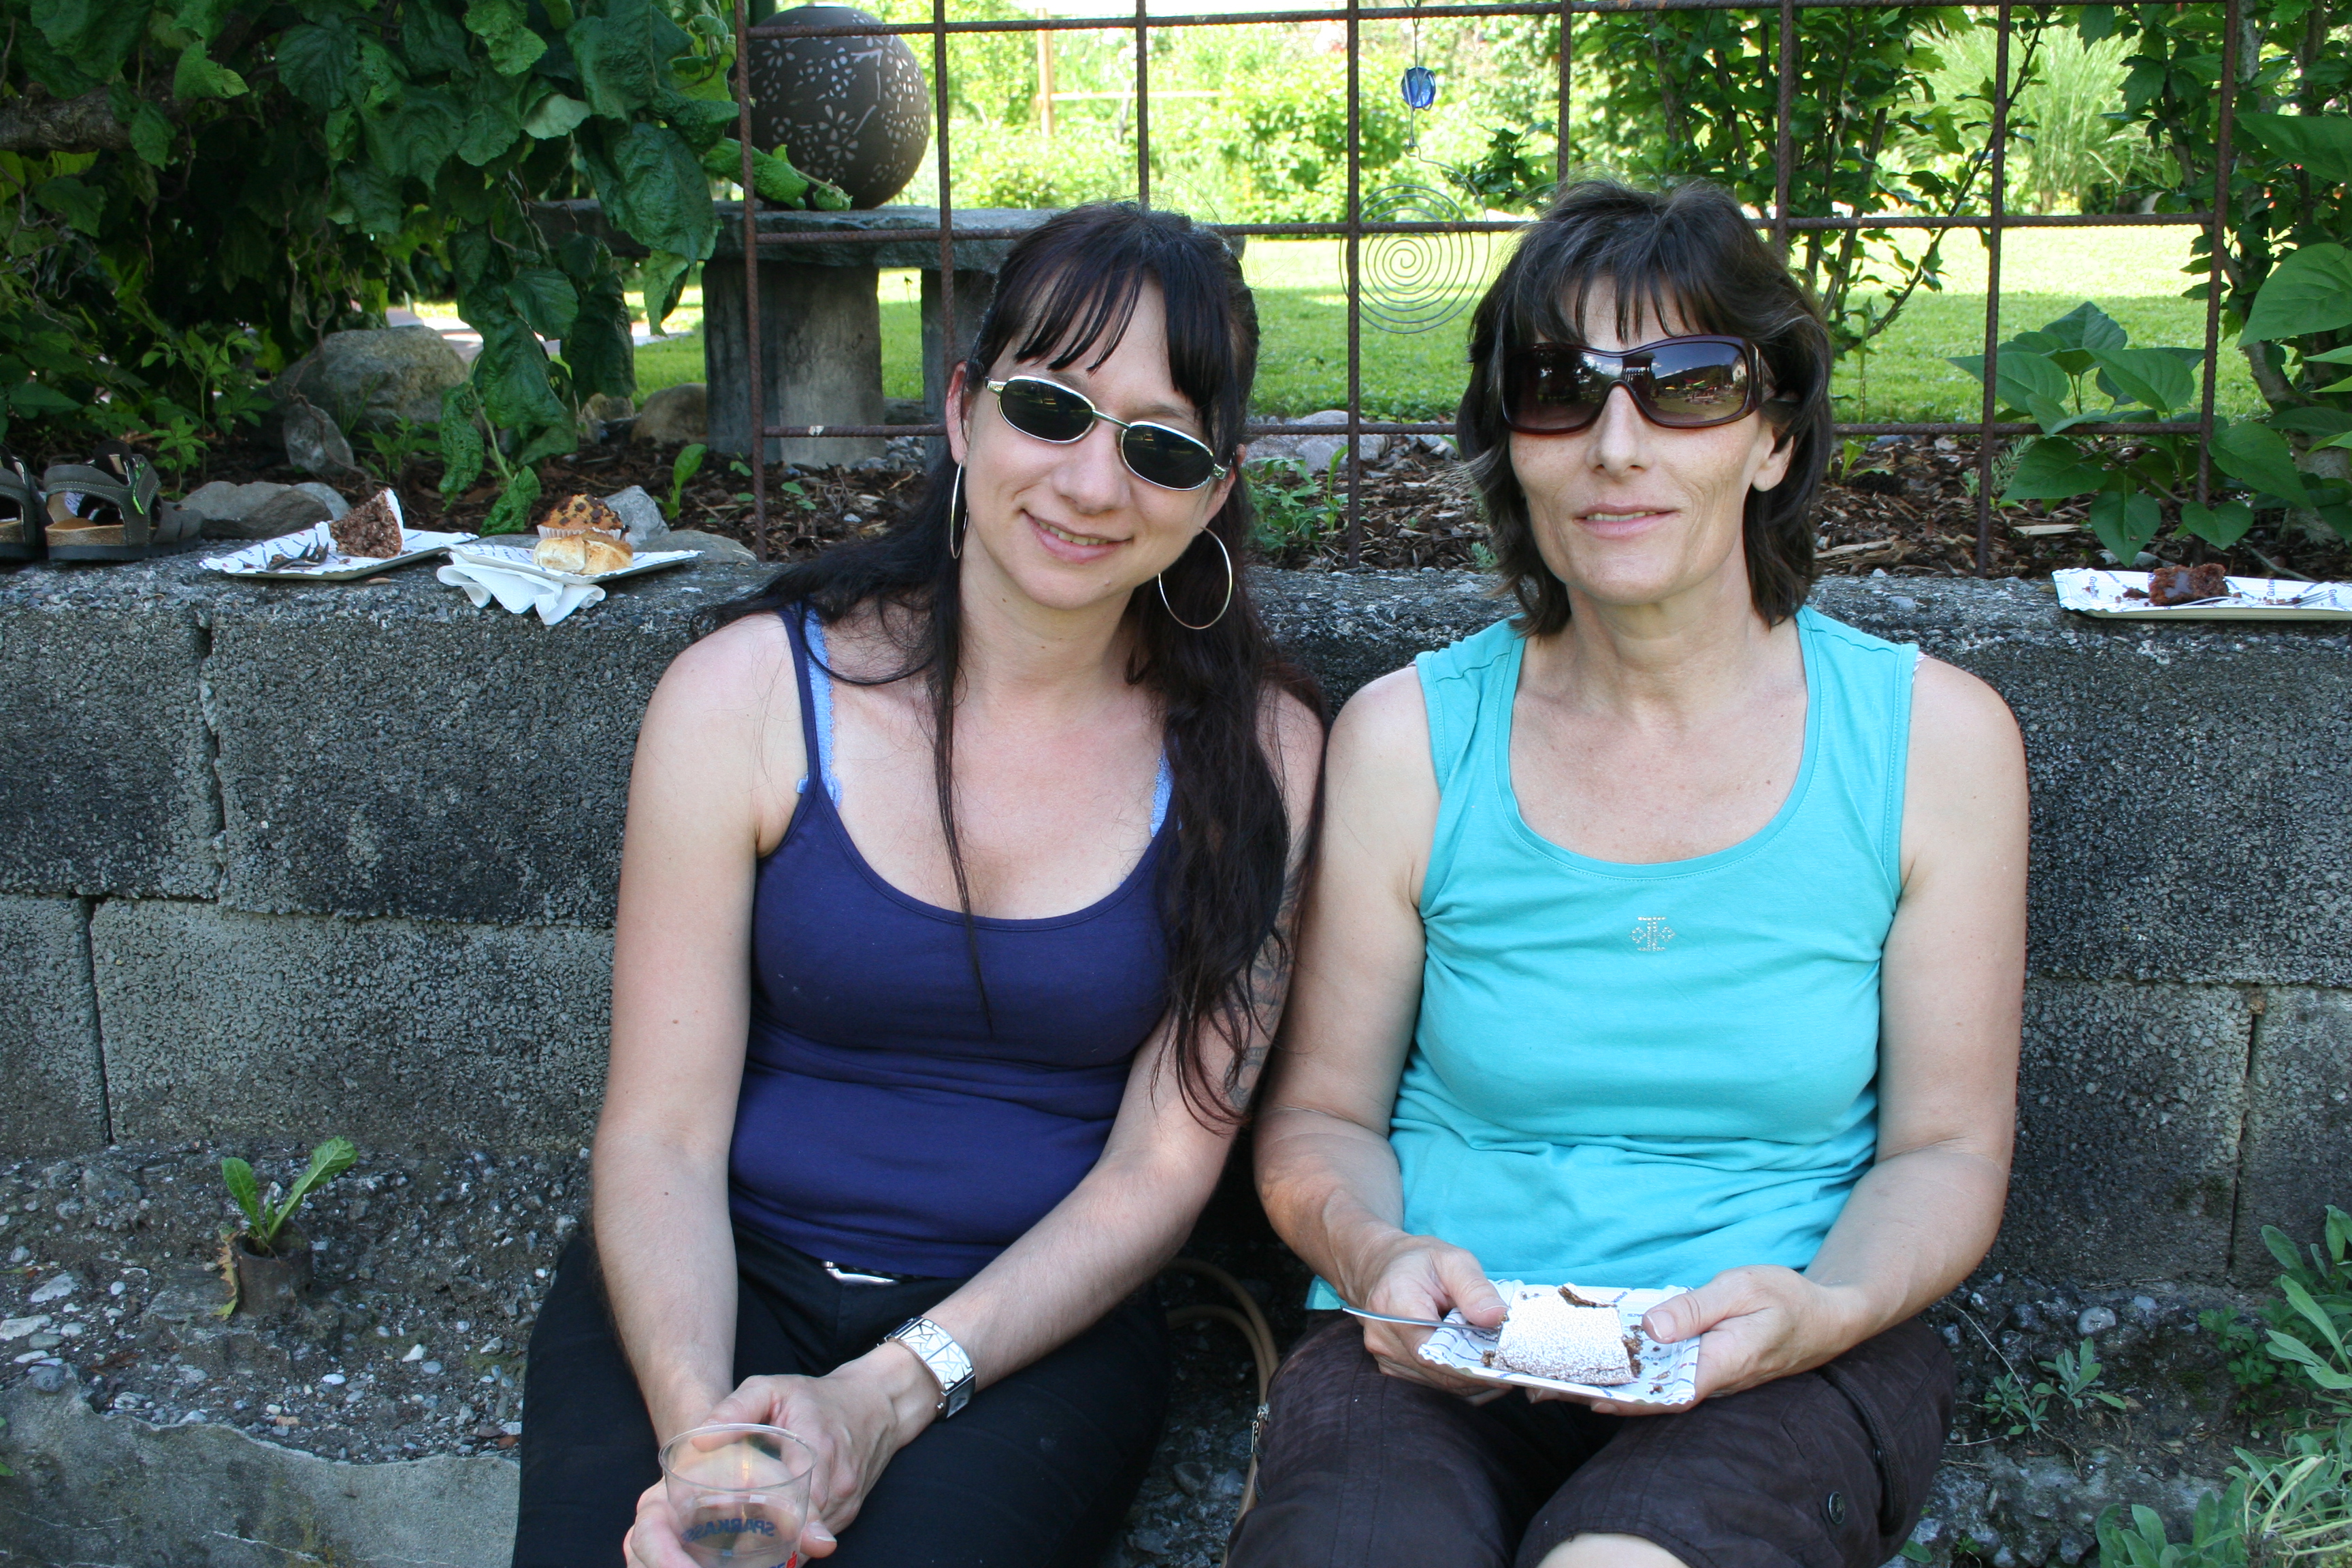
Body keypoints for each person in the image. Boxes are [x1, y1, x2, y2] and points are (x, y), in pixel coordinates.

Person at [512, 202, 1324, 1568]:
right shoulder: (748, 696)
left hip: (1022, 1332)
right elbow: (658, 1134)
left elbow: (1157, 1172)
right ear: (961, 411)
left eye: (1161, 446)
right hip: (711, 1278)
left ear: (1213, 493)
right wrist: (712, 1451)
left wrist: (888, 1396)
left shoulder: (1262, 763)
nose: (1092, 484)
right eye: (1050, 410)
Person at [1234, 180, 2027, 1568]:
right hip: (1437, 1346)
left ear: (1773, 438)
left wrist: (1827, 1312)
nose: (1616, 445)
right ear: (1511, 443)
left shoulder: (1930, 743)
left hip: (1782, 1350)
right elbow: (1318, 1119)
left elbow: (1947, 1151)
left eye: (1687, 387)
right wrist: (1372, 1256)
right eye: (1560, 390)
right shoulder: (1412, 740)